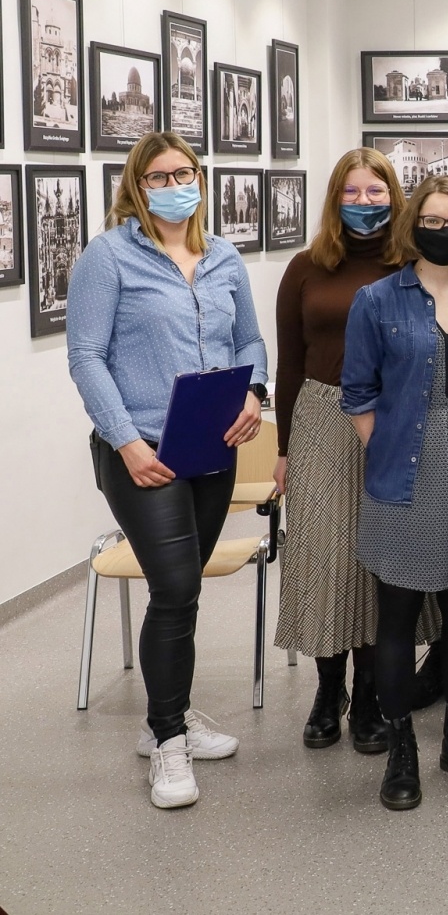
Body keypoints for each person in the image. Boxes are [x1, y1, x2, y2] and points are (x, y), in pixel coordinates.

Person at [66, 131, 268, 809]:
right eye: (159, 176)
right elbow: (86, 358)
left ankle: (172, 717)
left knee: (181, 594)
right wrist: (125, 441)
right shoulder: (108, 258)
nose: (176, 184)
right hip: (142, 450)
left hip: (212, 443)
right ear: (137, 185)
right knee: (177, 587)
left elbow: (249, 339)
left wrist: (255, 393)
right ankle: (168, 743)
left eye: (185, 172)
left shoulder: (222, 257)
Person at [342, 175, 448, 811]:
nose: (446, 230)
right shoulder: (377, 300)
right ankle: (403, 748)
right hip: (404, 471)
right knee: (399, 613)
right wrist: (386, 448)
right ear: (414, 225)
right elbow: (358, 392)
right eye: (433, 221)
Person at [273, 148, 440, 754]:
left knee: (381, 562)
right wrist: (287, 449)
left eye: (376, 192)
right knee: (324, 556)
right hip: (320, 419)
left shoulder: (415, 266)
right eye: (352, 192)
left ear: (395, 199)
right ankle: (328, 689)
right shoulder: (305, 268)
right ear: (333, 199)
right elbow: (288, 363)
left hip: (395, 421)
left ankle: (370, 693)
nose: (364, 203)